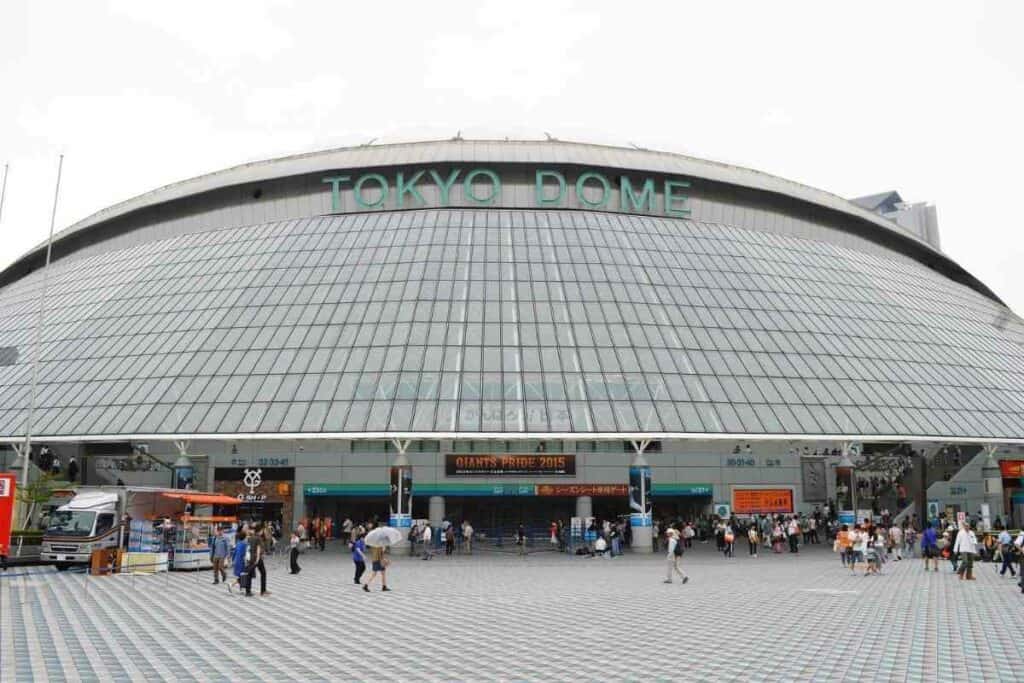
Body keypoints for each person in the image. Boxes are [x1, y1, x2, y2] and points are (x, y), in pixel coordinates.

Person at [245, 524, 270, 596]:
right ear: (260, 530)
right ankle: (263, 591)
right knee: (263, 573)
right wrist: (258, 558)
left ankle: (248, 591)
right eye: (262, 530)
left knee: (249, 573)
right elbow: (259, 548)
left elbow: (248, 548)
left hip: (250, 557)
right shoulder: (258, 538)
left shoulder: (250, 537)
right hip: (257, 558)